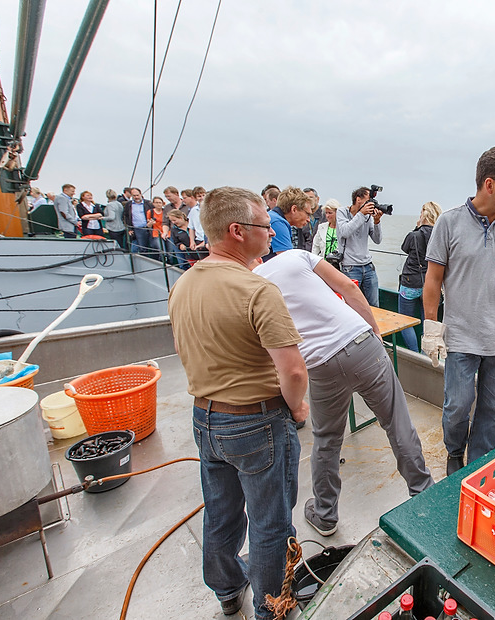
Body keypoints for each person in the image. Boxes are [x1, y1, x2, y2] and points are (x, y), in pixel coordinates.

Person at [168, 186, 308, 620]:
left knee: (222, 512)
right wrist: (299, 409)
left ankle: (228, 590)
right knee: (271, 524)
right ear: (236, 231)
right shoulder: (256, 290)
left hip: (205, 418)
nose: (272, 233)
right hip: (257, 423)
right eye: (265, 226)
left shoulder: (184, 283)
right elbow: (295, 371)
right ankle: (272, 608)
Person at [255, 248, 434, 536]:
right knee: (397, 422)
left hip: (319, 364)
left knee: (326, 440)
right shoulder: (297, 256)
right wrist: (374, 330)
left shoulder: (251, 286)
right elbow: (348, 288)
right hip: (361, 342)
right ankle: (424, 492)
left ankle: (325, 515)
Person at [422, 146, 495, 475]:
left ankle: (477, 465)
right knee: (458, 407)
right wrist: (431, 328)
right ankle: (454, 451)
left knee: (492, 407)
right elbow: (433, 278)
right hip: (461, 337)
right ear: (490, 185)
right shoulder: (448, 223)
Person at [398, 201, 442, 352]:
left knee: (405, 320)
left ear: (423, 214)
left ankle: (414, 353)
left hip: (410, 282)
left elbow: (404, 248)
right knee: (427, 323)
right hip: (430, 284)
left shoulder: (414, 235)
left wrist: (417, 227)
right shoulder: (440, 235)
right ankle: (425, 355)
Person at [337, 186, 382, 306]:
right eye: (368, 201)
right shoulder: (342, 212)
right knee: (352, 305)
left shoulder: (367, 216)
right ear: (358, 199)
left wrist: (377, 222)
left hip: (368, 266)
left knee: (374, 305)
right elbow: (345, 232)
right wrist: (361, 214)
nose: (370, 205)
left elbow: (377, 240)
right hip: (350, 267)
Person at [125, 188, 153, 254]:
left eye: (137, 195)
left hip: (147, 228)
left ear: (141, 194)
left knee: (146, 247)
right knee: (134, 249)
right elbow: (126, 216)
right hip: (135, 229)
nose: (136, 197)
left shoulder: (148, 203)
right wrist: (129, 228)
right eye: (134, 196)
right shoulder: (129, 204)